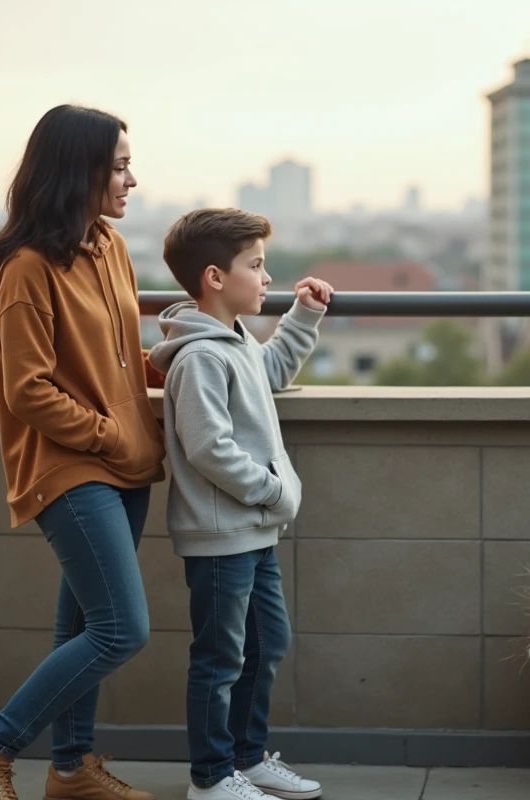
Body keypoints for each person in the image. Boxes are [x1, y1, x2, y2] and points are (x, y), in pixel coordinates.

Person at [0, 104, 165, 800]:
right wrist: (110, 432)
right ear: (79, 170)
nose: (133, 179)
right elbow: (28, 391)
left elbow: (119, 357)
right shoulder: (26, 270)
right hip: (69, 469)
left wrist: (190, 361)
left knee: (84, 627)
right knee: (123, 630)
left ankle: (70, 770)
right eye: (120, 166)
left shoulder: (110, 247)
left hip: (127, 467)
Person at [148, 208, 333, 800]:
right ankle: (210, 777)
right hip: (223, 534)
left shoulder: (235, 342)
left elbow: (271, 370)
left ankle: (247, 759)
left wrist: (304, 314)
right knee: (220, 659)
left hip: (253, 533)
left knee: (265, 644)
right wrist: (274, 490)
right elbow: (209, 448)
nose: (267, 277)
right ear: (214, 278)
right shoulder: (201, 356)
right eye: (255, 266)